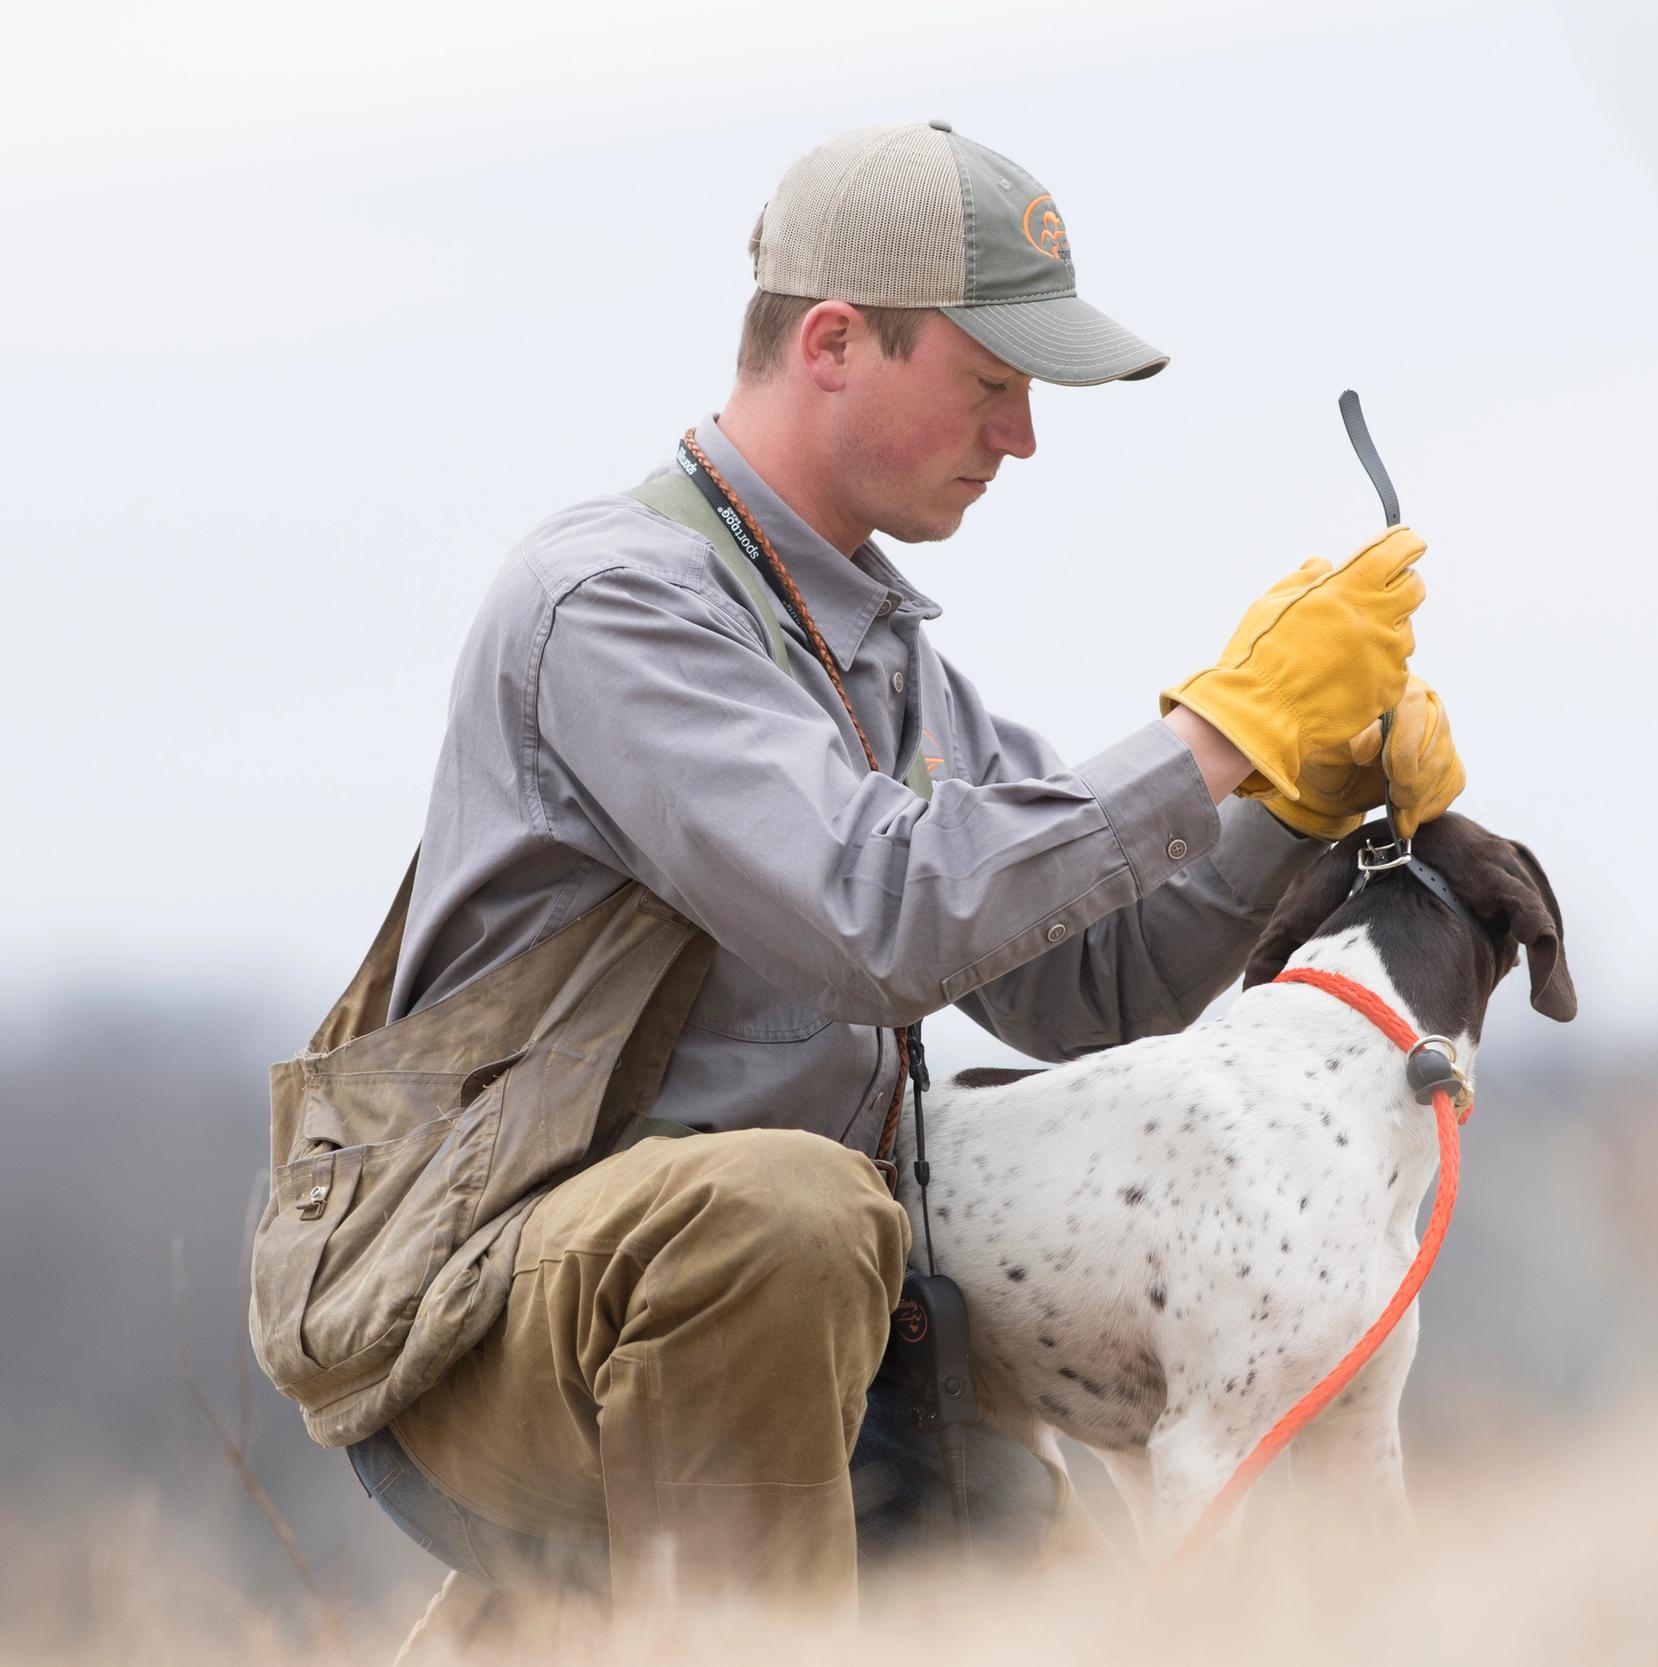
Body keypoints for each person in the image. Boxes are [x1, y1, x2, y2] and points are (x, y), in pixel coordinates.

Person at [340, 119, 1464, 1614]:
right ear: (830, 342)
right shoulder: (612, 604)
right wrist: (1217, 731)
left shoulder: (880, 658)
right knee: (779, 1217)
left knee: (1062, 1616)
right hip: (501, 1321)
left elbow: (1092, 977)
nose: (1022, 436)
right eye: (991, 383)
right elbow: (881, 914)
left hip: (823, 1318)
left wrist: (1293, 798)